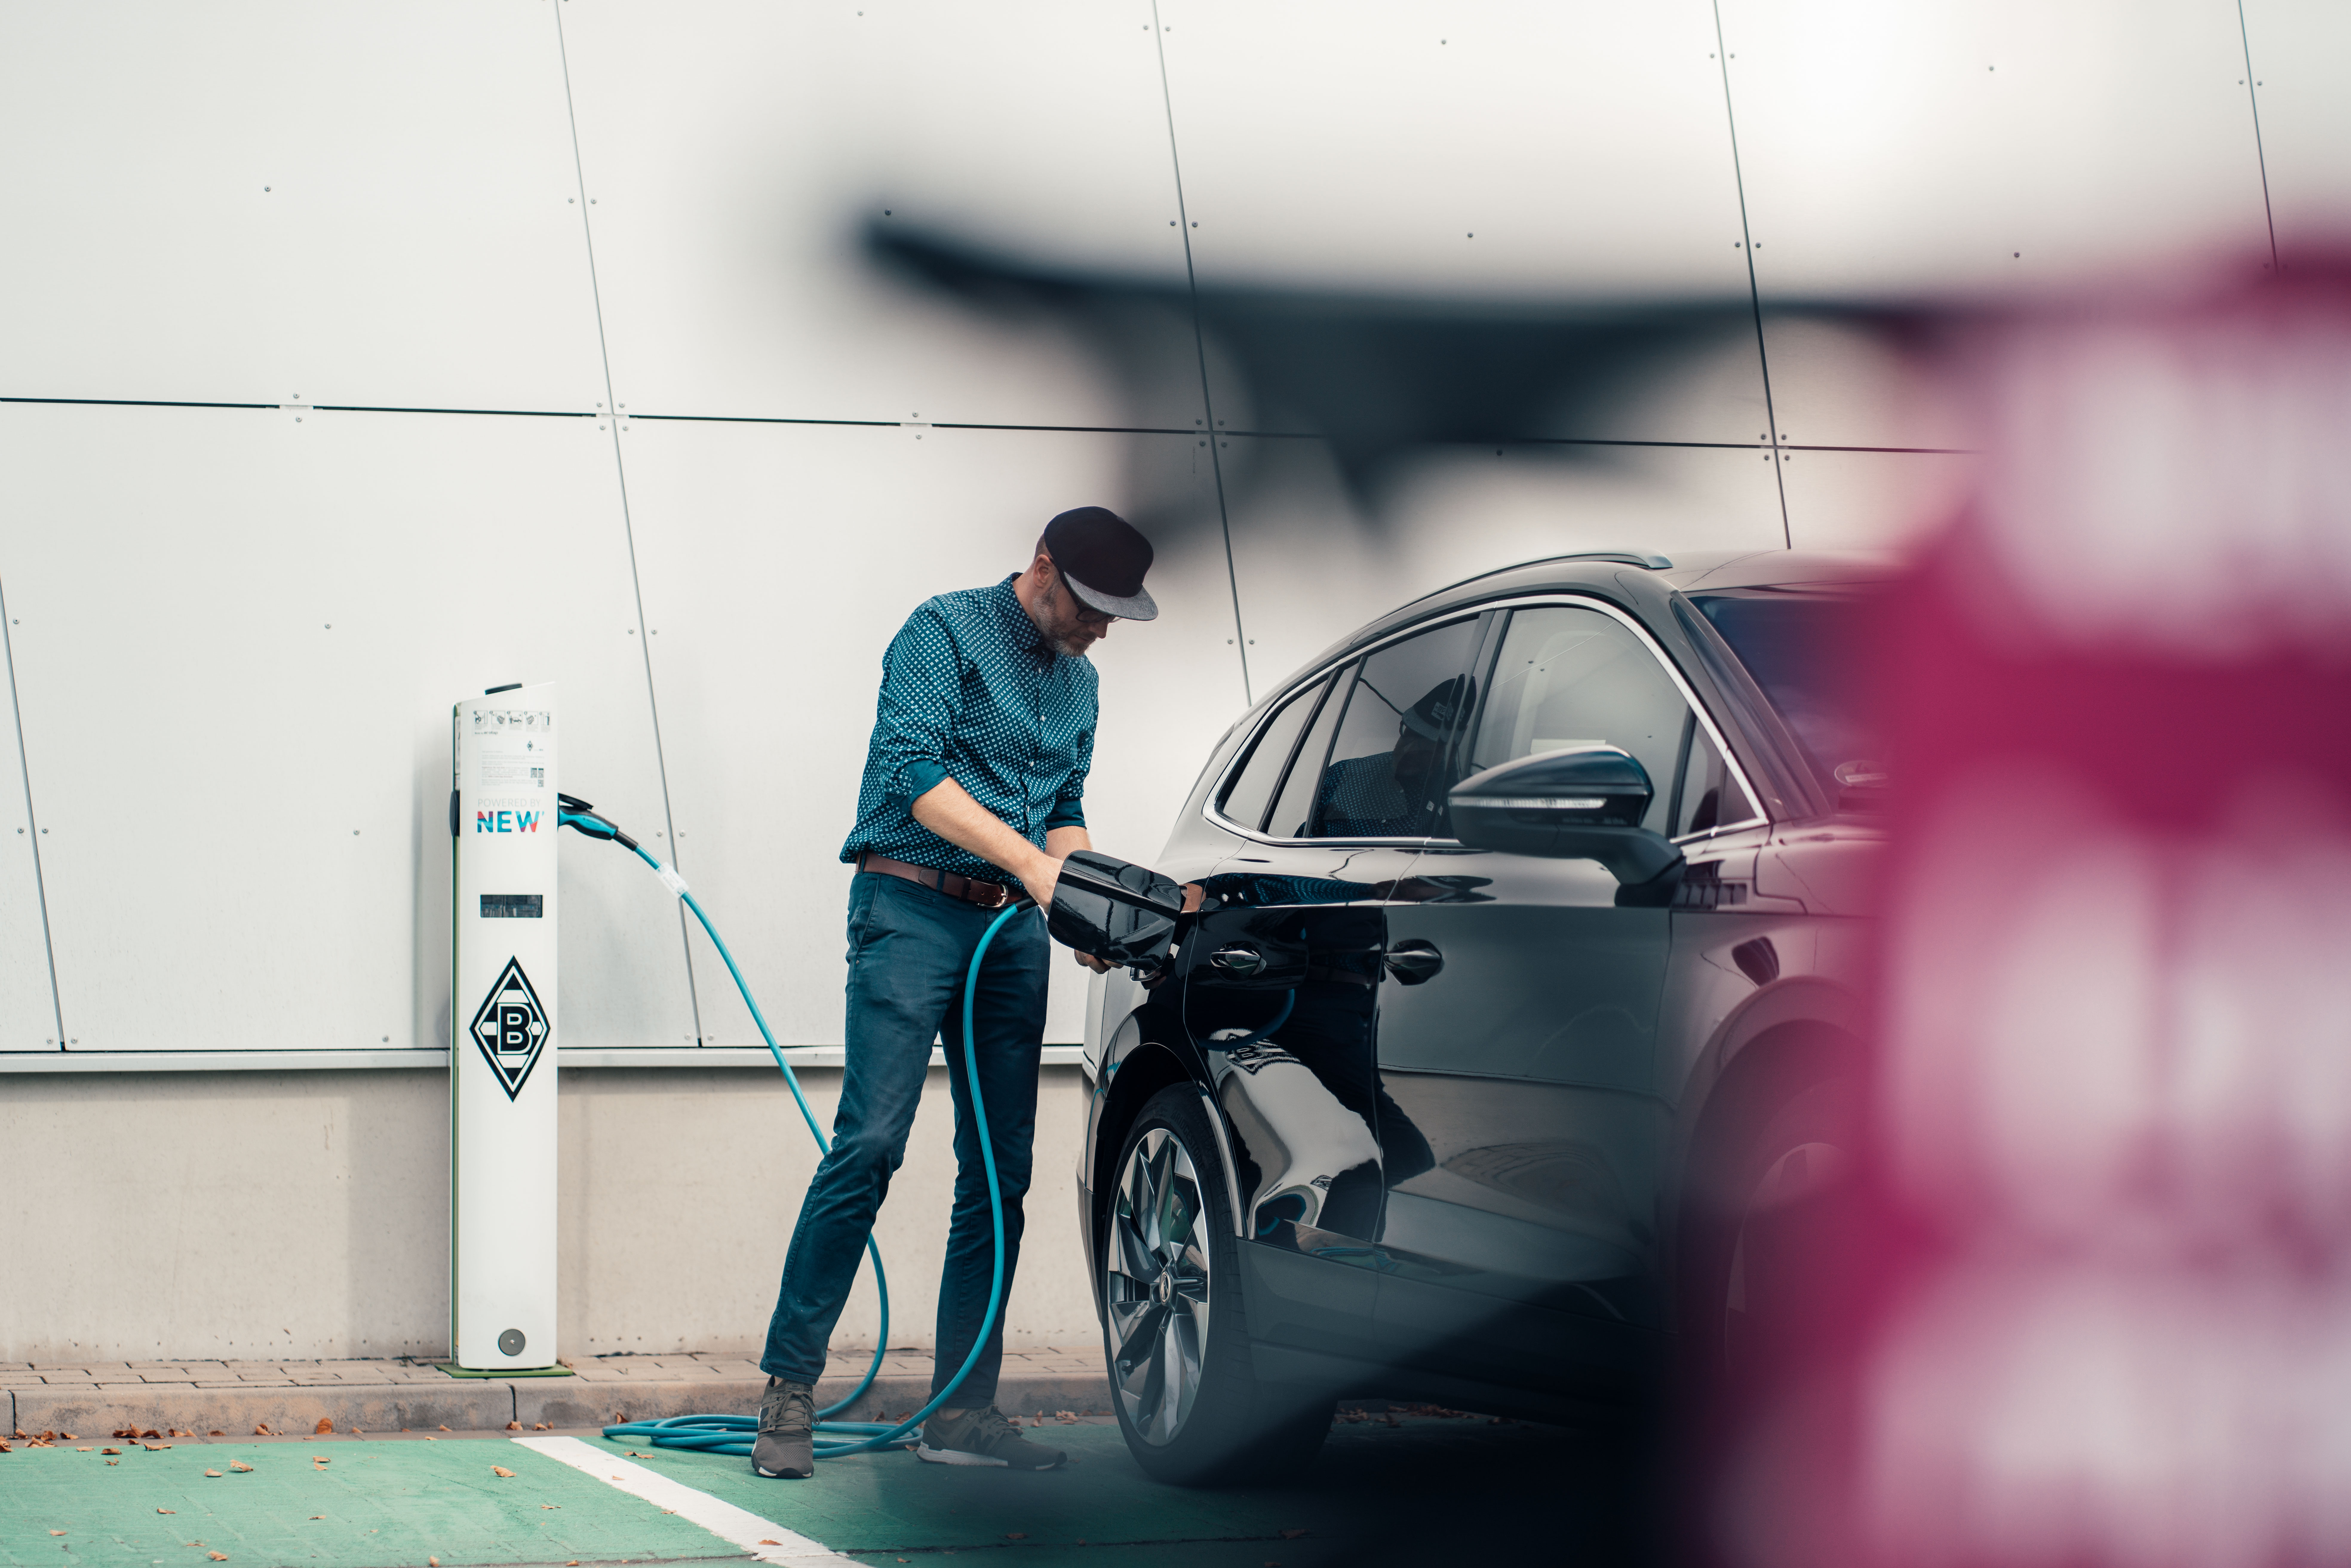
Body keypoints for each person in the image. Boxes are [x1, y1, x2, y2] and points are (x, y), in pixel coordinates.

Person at [752, 506, 1157, 1479]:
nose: (1099, 628)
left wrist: (1089, 908)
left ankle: (961, 1410)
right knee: (871, 1144)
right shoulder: (942, 628)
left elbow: (1062, 812)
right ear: (1042, 567)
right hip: (911, 909)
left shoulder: (1083, 686)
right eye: (1090, 606)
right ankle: (788, 1387)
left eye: (1114, 615)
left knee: (1000, 1175)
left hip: (1012, 932)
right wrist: (1035, 868)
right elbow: (912, 773)